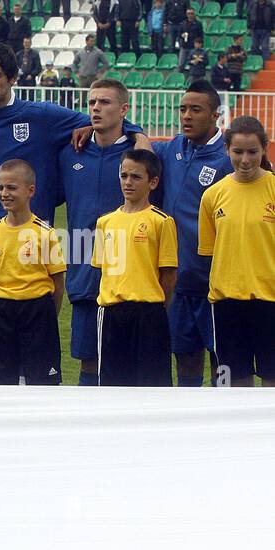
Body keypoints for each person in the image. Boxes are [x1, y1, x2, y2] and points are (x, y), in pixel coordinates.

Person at [0, 42, 143, 383]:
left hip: (31, 258)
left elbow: (106, 119)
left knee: (30, 353)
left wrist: (138, 134)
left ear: (12, 78)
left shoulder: (41, 116)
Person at [148, 81, 231, 386]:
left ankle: (226, 418)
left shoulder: (228, 158)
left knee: (223, 361)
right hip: (178, 282)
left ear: (215, 115)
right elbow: (136, 144)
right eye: (183, 109)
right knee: (184, 357)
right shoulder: (172, 149)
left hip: (216, 285)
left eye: (195, 109)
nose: (186, 116)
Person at [59, 78, 135, 384]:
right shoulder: (70, 153)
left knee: (127, 360)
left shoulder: (139, 155)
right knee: (88, 360)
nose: (96, 108)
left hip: (129, 273)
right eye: (92, 102)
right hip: (84, 270)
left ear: (124, 110)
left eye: (104, 102)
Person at [198, 115, 275, 387]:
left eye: (252, 152)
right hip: (227, 303)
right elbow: (210, 252)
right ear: (227, 150)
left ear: (265, 149)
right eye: (238, 151)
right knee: (233, 386)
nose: (245, 159)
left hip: (270, 300)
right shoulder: (213, 195)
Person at [92, 149, 177, 385]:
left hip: (149, 312)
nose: (128, 182)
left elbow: (168, 274)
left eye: (136, 177)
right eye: (124, 175)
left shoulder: (161, 222)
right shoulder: (104, 223)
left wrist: (155, 304)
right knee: (112, 385)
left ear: (153, 182)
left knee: (153, 384)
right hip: (111, 312)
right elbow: (103, 268)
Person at [0, 159, 66, 384]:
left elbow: (58, 283)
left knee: (43, 382)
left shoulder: (45, 233)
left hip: (38, 310)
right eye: (0, 187)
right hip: (2, 309)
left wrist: (47, 314)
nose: (4, 193)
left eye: (11, 187)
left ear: (30, 191)